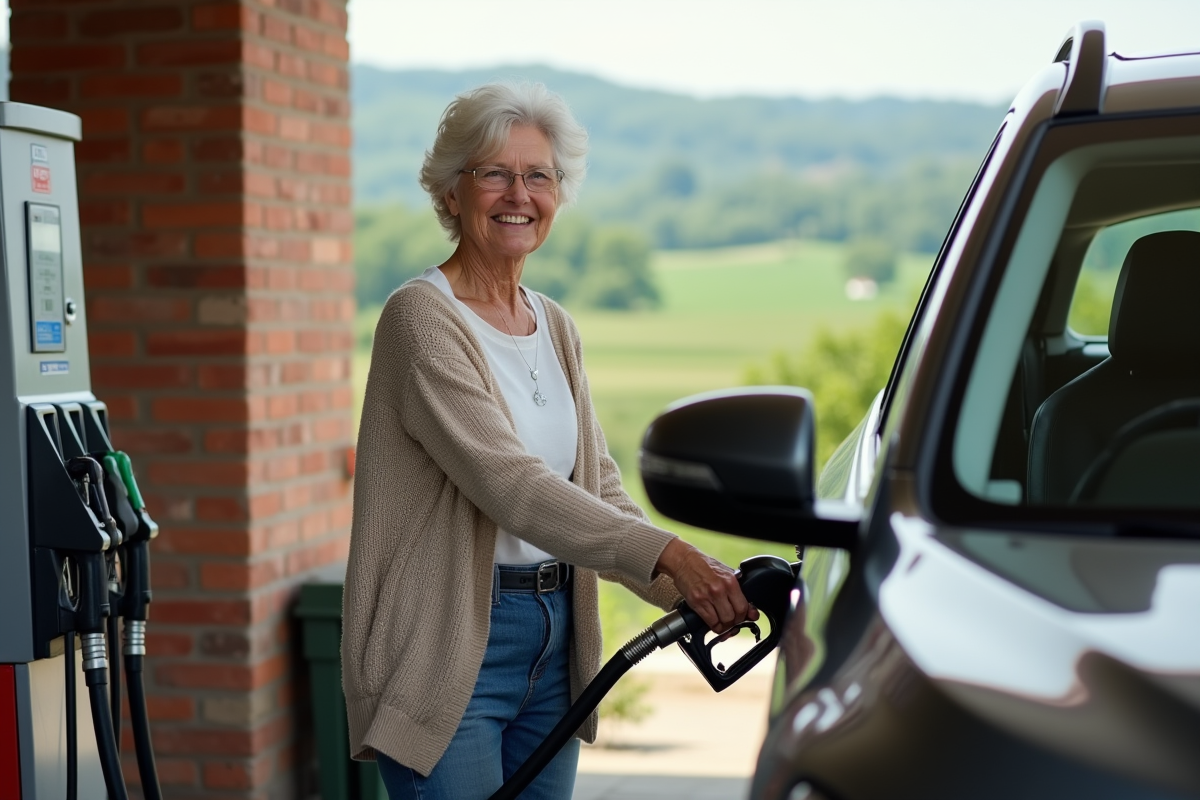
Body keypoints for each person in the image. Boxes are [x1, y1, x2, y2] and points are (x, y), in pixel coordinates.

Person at [341, 81, 756, 800]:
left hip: (559, 636)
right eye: (495, 173)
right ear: (450, 193)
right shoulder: (420, 319)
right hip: (449, 649)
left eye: (539, 176)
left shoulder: (554, 324)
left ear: (559, 194)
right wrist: (675, 558)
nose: (518, 194)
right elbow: (515, 488)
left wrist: (701, 586)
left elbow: (596, 487)